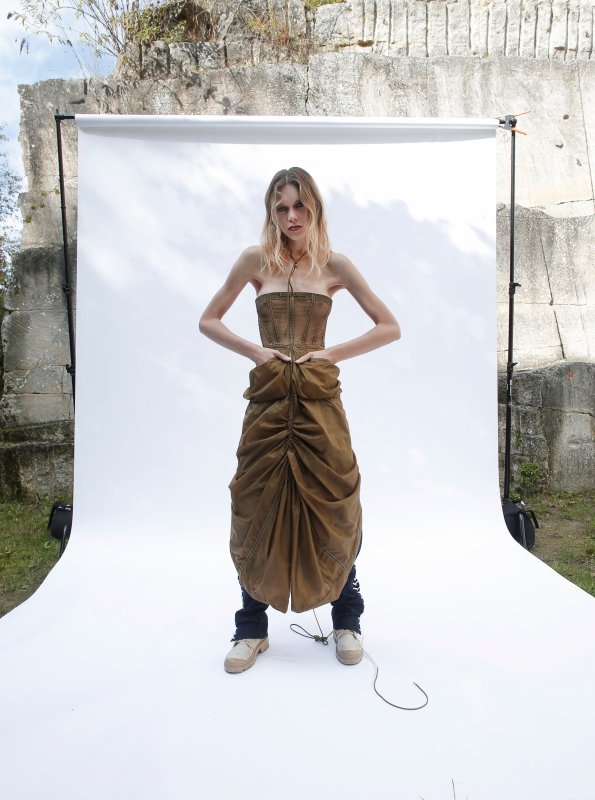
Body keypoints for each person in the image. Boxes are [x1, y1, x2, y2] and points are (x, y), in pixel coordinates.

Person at [199, 167, 400, 674]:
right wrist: (255, 350)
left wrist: (330, 353)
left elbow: (389, 326)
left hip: (318, 403)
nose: (291, 216)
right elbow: (208, 320)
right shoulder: (254, 261)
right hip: (268, 403)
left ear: (315, 209)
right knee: (255, 502)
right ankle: (251, 629)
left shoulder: (335, 264)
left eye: (300, 206)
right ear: (271, 212)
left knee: (334, 504)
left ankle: (347, 620)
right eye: (282, 207)